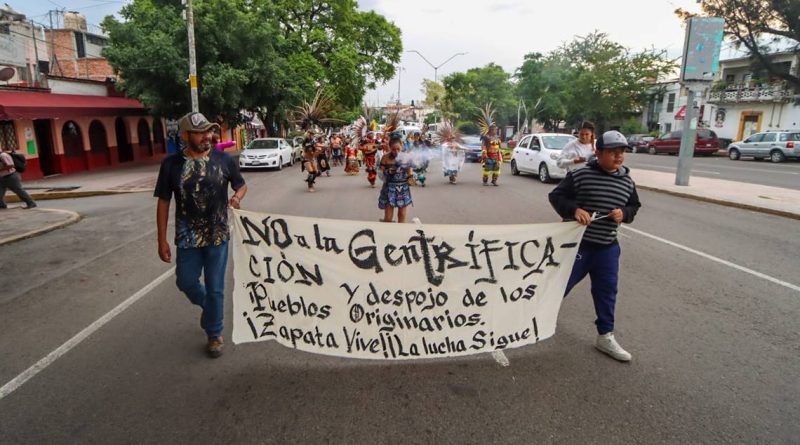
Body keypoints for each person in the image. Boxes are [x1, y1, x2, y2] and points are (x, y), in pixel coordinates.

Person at [154, 111, 247, 358]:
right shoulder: (171, 165)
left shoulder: (223, 160)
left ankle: (214, 333)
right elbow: (163, 202)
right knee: (185, 281)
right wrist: (161, 239)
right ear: (185, 135)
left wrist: (237, 197)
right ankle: (211, 309)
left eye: (209, 131)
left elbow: (241, 184)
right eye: (201, 132)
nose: (208, 136)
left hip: (218, 236)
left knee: (216, 287)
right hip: (188, 238)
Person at [548, 130, 641, 362]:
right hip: (577, 247)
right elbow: (556, 196)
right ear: (598, 152)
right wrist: (574, 210)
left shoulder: (627, 182)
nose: (618, 156)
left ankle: (605, 336)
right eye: (612, 152)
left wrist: (624, 213)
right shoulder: (580, 176)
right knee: (558, 288)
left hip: (607, 248)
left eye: (622, 152)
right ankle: (533, 321)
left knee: (607, 292)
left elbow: (634, 206)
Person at [378, 136, 413, 223]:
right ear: (390, 148)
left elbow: (409, 170)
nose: (396, 151)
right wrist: (388, 172)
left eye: (398, 149)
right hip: (389, 188)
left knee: (402, 214)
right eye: (393, 149)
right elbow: (380, 173)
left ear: (402, 146)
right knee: (388, 217)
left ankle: (401, 233)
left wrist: (410, 177)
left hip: (403, 188)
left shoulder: (406, 157)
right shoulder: (385, 157)